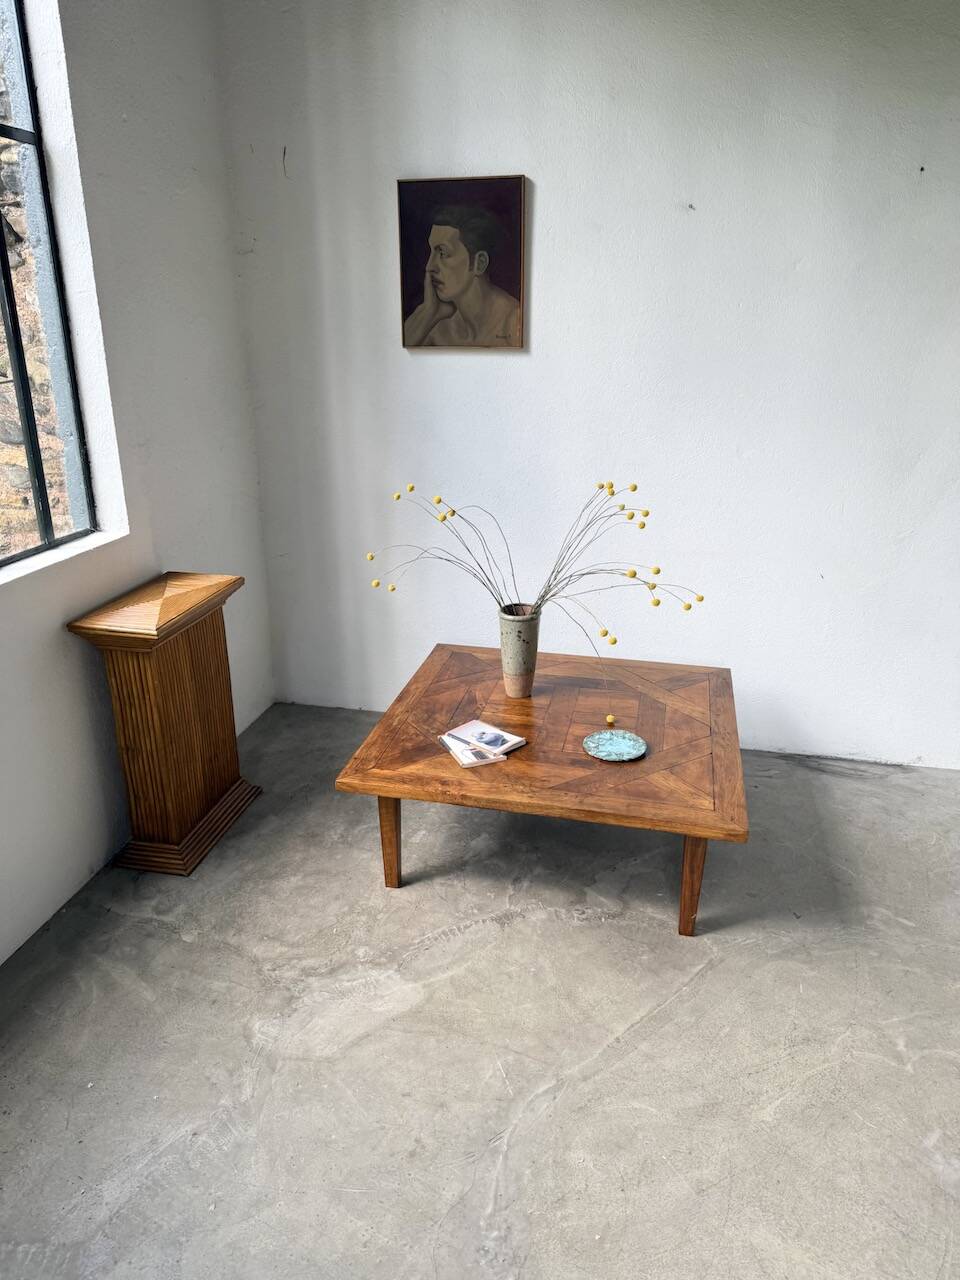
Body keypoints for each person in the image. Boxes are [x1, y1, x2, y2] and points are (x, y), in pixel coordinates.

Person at [403, 205, 521, 348]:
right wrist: (428, 311)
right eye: (431, 252)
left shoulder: (514, 323)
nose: (429, 267)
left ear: (479, 263)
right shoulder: (437, 328)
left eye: (443, 253)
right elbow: (398, 356)